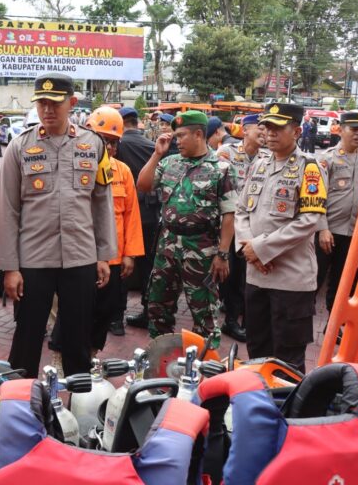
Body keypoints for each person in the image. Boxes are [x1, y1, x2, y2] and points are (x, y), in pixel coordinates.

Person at [0, 73, 117, 378]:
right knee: (28, 336)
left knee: (78, 335)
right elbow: (7, 209)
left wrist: (104, 255)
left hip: (81, 256)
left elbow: (102, 202)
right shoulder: (19, 147)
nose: (47, 110)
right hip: (34, 258)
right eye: (41, 103)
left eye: (55, 103)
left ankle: (79, 406)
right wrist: (10, 267)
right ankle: (20, 405)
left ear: (72, 103)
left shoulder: (94, 145)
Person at [235, 103, 328, 372]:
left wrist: (261, 249)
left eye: (279, 127)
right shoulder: (260, 165)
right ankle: (257, 408)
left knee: (288, 360)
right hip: (256, 275)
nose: (270, 133)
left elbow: (309, 220)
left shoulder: (309, 168)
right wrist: (248, 250)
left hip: (291, 281)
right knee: (257, 350)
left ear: (297, 131)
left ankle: (285, 412)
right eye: (267, 127)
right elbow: (242, 210)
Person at [136, 110, 236, 340]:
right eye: (176, 136)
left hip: (201, 248)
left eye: (181, 136)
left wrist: (222, 254)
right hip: (167, 245)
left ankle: (204, 367)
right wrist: (156, 155)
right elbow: (143, 185)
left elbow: (229, 214)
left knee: (205, 312)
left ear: (199, 134)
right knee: (158, 307)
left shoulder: (221, 168)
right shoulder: (170, 162)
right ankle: (160, 359)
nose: (177, 141)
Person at [50, 107, 143, 351]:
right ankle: (64, 361)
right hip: (80, 257)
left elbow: (132, 214)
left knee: (104, 313)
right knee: (72, 313)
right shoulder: (71, 168)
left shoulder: (122, 172)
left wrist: (130, 254)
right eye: (104, 140)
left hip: (113, 258)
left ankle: (90, 358)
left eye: (114, 143)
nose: (110, 148)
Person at [215, 114, 268, 342]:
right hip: (231, 223)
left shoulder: (267, 157)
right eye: (261, 128)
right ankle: (230, 319)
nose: (265, 132)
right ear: (245, 130)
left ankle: (244, 320)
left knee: (247, 275)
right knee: (232, 274)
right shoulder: (227, 153)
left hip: (255, 225)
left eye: (268, 129)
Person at [315, 111, 358, 314]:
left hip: (353, 233)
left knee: (342, 282)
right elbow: (316, 198)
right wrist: (322, 228)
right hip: (327, 232)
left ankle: (333, 323)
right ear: (340, 130)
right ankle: (300, 325)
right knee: (315, 279)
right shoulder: (326, 159)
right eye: (353, 129)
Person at [114, 107, 159, 335]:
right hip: (151, 212)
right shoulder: (152, 146)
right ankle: (148, 311)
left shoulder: (119, 144)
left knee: (123, 266)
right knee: (148, 266)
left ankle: (116, 319)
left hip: (126, 211)